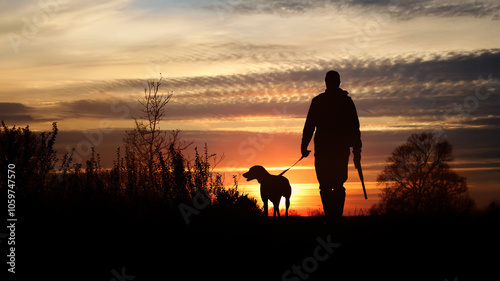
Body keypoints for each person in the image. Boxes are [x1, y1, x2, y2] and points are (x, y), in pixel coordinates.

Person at [301, 70, 362, 220]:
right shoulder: (343, 102)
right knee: (333, 185)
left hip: (330, 151)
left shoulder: (323, 101)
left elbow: (354, 128)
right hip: (332, 151)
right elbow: (354, 129)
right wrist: (357, 152)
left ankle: (332, 219)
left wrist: (304, 145)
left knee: (329, 185)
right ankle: (334, 219)